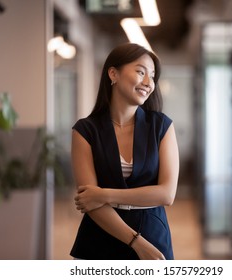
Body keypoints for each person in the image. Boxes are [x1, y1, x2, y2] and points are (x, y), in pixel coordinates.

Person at [70, 43, 179, 260]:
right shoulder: (85, 130)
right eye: (140, 72)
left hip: (153, 236)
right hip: (99, 239)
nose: (149, 83)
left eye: (153, 76)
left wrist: (104, 194)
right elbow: (88, 202)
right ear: (113, 74)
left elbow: (166, 194)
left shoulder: (161, 126)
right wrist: (135, 242)